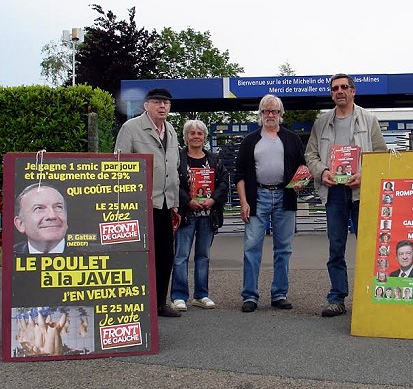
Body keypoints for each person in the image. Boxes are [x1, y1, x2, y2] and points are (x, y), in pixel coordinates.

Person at [305, 73, 387, 317]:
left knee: (369, 246)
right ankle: (337, 297)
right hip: (334, 193)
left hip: (362, 192)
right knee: (336, 247)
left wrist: (365, 175)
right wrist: (323, 172)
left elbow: (380, 155)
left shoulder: (369, 119)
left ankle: (370, 297)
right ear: (331, 94)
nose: (339, 91)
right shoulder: (321, 122)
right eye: (335, 88)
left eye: (344, 87)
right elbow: (310, 155)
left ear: (353, 91)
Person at [235, 94, 306, 312]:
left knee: (284, 248)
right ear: (260, 114)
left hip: (285, 196)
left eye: (274, 111)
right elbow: (239, 175)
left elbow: (303, 167)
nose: (270, 115)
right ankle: (250, 295)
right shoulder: (250, 140)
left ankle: (279, 293)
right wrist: (243, 202)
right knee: (251, 247)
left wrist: (301, 183)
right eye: (266, 111)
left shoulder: (292, 139)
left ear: (280, 114)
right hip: (257, 197)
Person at [115, 87, 181, 318]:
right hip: (141, 205)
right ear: (146, 106)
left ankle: (160, 303)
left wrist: (174, 202)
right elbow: (119, 167)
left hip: (165, 204)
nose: (162, 106)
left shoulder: (170, 130)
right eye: (157, 102)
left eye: (166, 103)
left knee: (165, 256)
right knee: (141, 256)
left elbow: (173, 168)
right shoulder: (131, 128)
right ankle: (140, 303)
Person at [170, 120, 229, 312]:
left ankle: (201, 295)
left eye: (200, 133)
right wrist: (187, 200)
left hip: (208, 214)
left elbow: (223, 182)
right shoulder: (178, 159)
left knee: (203, 256)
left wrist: (213, 199)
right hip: (186, 214)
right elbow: (173, 183)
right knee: (181, 256)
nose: (196, 136)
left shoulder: (214, 160)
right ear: (186, 137)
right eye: (192, 133)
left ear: (204, 137)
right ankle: (179, 296)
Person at [13, 183, 68, 254]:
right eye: (39, 208)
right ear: (20, 224)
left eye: (58, 207)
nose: (52, 216)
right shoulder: (12, 254)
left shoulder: (82, 254)